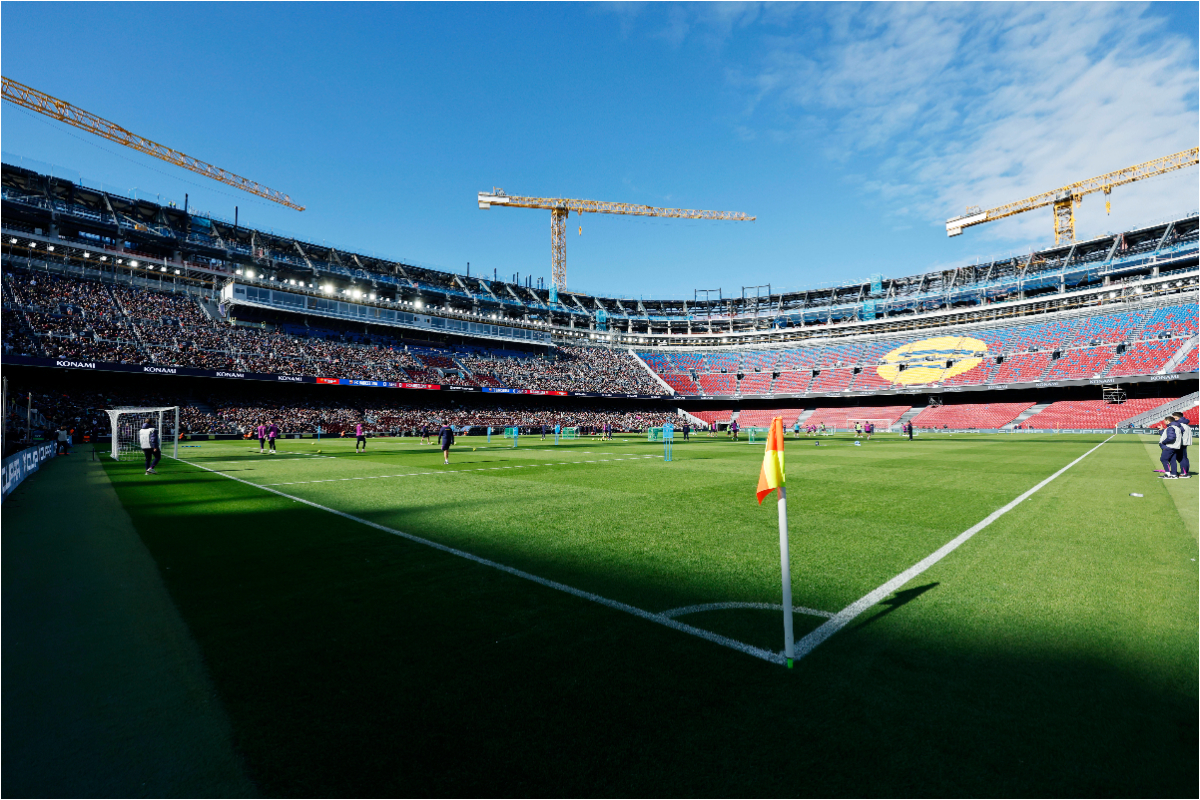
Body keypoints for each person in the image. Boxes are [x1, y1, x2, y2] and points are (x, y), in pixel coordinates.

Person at [1170, 412, 1191, 478]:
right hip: (1184, 442)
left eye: (1173, 417)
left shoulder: (1179, 424)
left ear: (1176, 417)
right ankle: (1185, 472)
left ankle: (1184, 473)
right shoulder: (1185, 423)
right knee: (1184, 458)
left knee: (1181, 458)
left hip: (1181, 443)